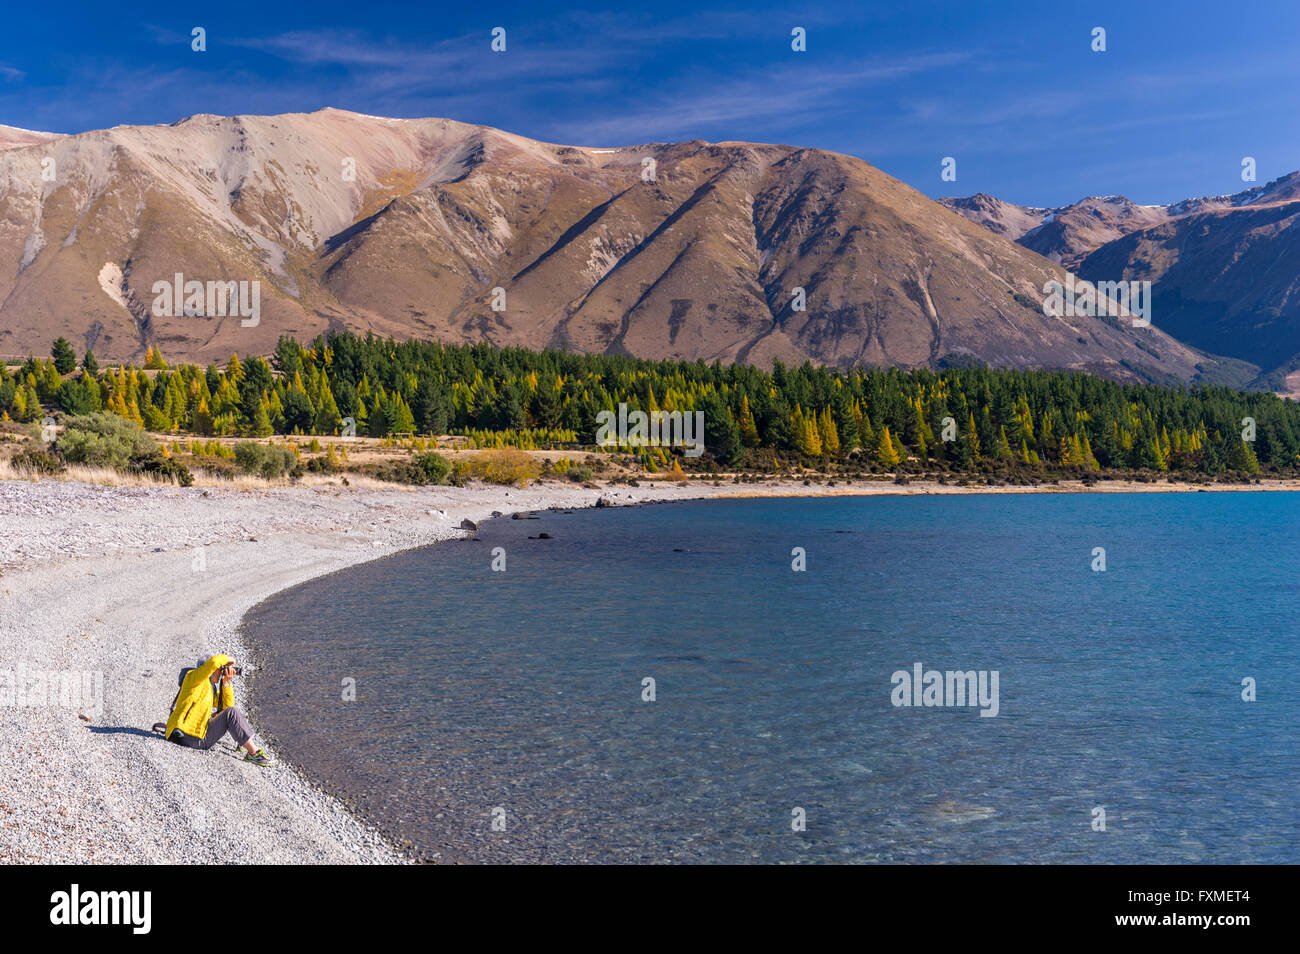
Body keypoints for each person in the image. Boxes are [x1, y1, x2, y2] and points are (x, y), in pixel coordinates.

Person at [164, 653, 275, 766]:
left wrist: (226, 682)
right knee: (231, 712)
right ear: (209, 670)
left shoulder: (209, 688)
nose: (222, 671)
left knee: (231, 712)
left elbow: (227, 708)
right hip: (185, 736)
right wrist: (230, 659)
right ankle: (253, 753)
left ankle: (250, 750)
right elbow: (213, 662)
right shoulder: (192, 678)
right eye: (220, 669)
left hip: (197, 736)